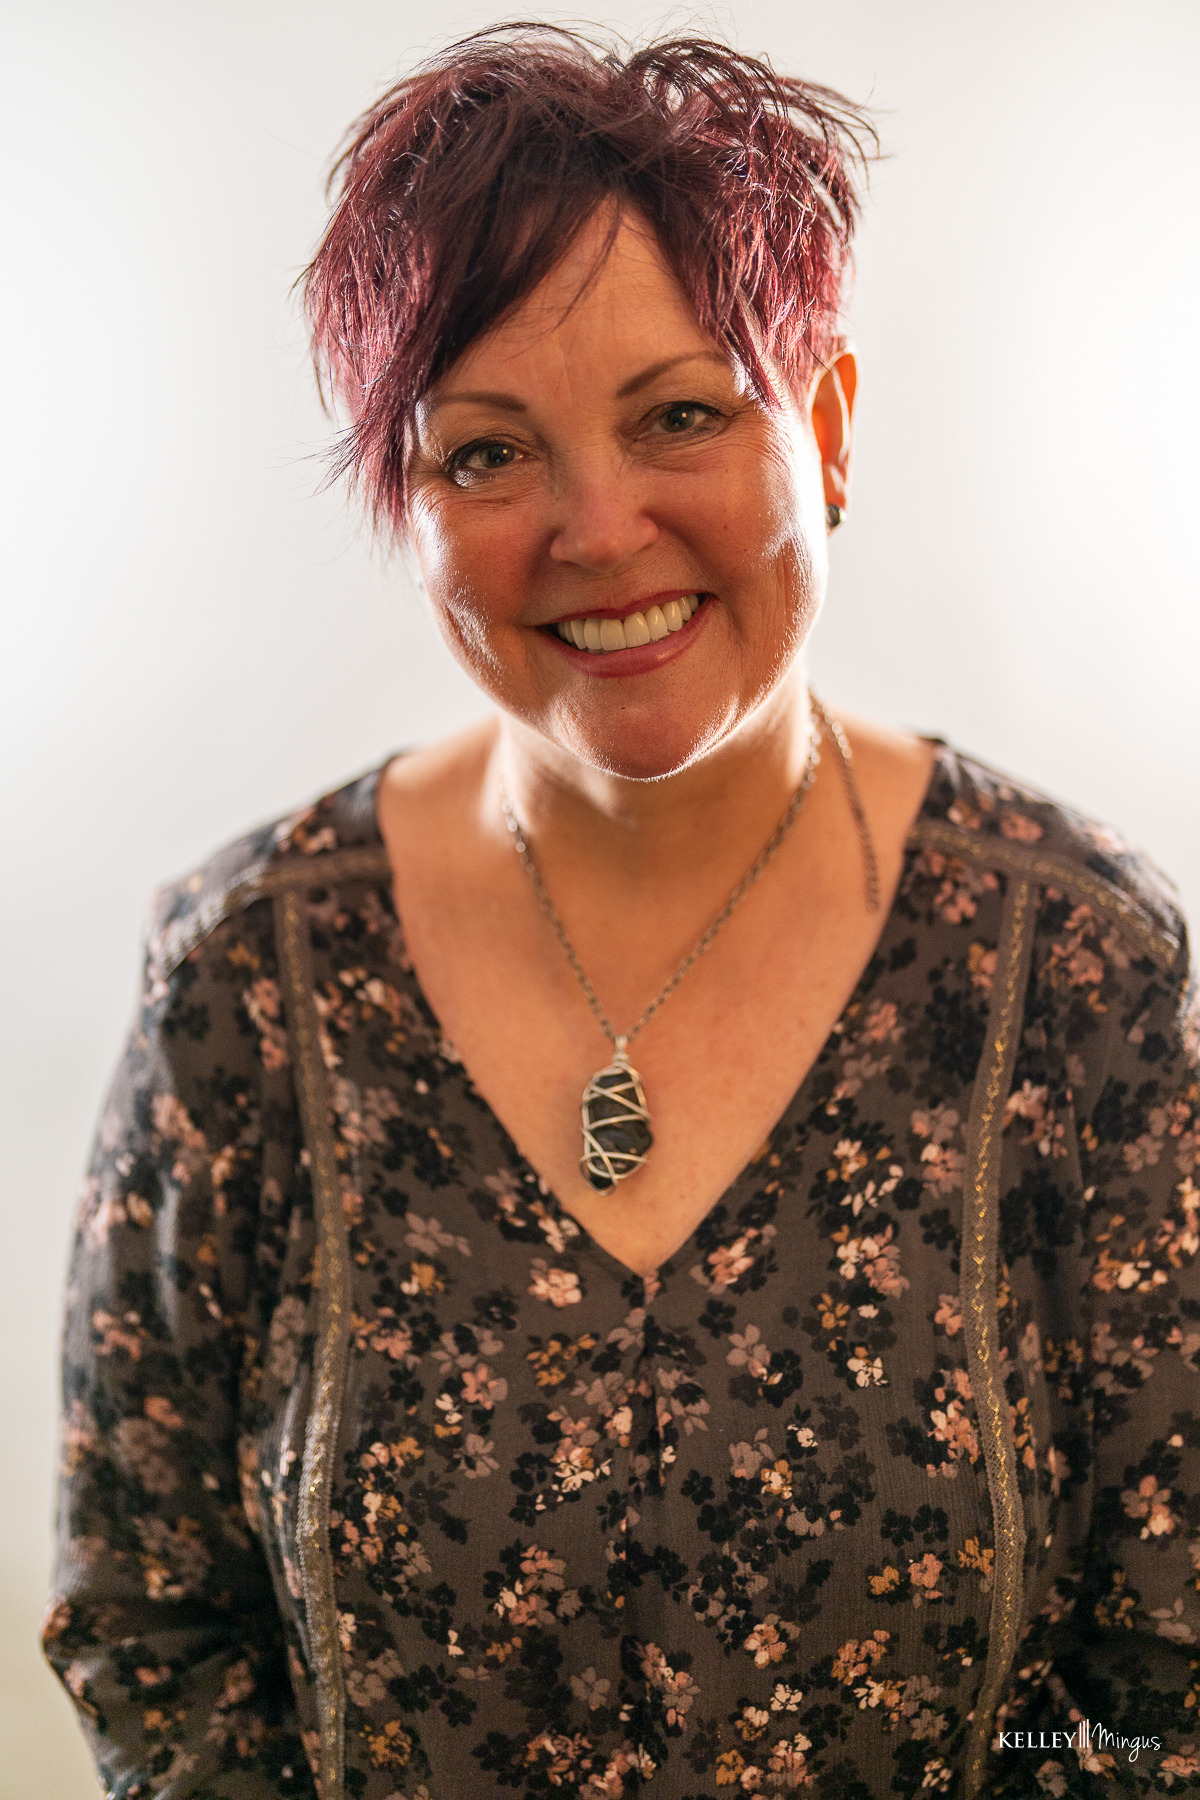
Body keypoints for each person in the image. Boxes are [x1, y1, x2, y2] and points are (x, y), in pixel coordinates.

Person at [44, 25, 1200, 1800]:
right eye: (489, 454)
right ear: (409, 506)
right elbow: (152, 1625)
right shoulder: (248, 974)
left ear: (822, 425)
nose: (597, 528)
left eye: (682, 413)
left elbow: (1154, 1683)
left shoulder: (1083, 967)